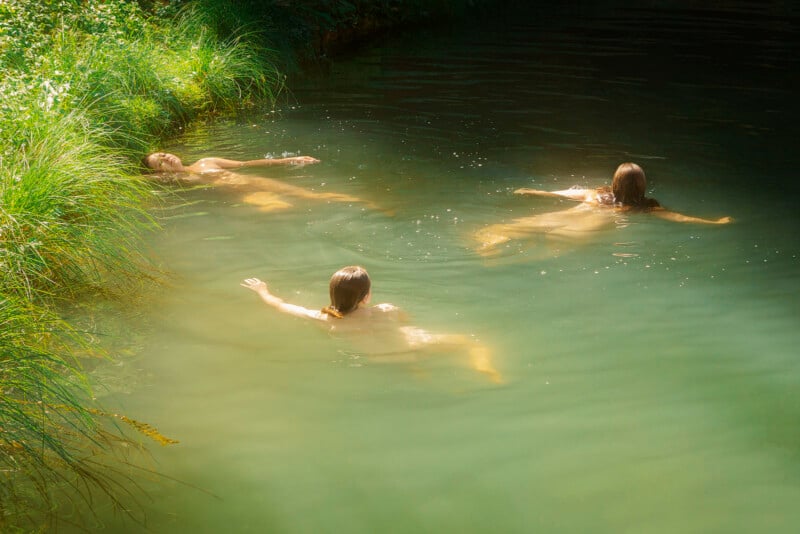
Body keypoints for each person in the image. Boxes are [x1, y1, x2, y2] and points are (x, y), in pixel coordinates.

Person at [240, 266, 502, 383]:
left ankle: (414, 372)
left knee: (401, 357)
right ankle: (484, 368)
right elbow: (407, 323)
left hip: (381, 361)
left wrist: (263, 290)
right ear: (366, 296)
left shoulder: (326, 320)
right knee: (470, 343)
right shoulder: (387, 309)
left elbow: (281, 306)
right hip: (416, 346)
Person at [475, 162, 732, 255]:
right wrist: (714, 223)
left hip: (563, 217)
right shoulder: (644, 208)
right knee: (542, 253)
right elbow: (680, 218)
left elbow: (565, 193)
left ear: (614, 181)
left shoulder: (598, 194)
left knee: (499, 229)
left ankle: (491, 244)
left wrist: (535, 191)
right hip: (584, 233)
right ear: (642, 184)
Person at [143, 152, 378, 212]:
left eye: (163, 154)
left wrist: (291, 160)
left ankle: (364, 202)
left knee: (310, 195)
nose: (166, 158)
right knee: (281, 207)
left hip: (254, 181)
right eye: (160, 162)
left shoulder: (207, 161)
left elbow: (247, 164)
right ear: (160, 173)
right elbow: (139, 179)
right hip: (242, 194)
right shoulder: (180, 178)